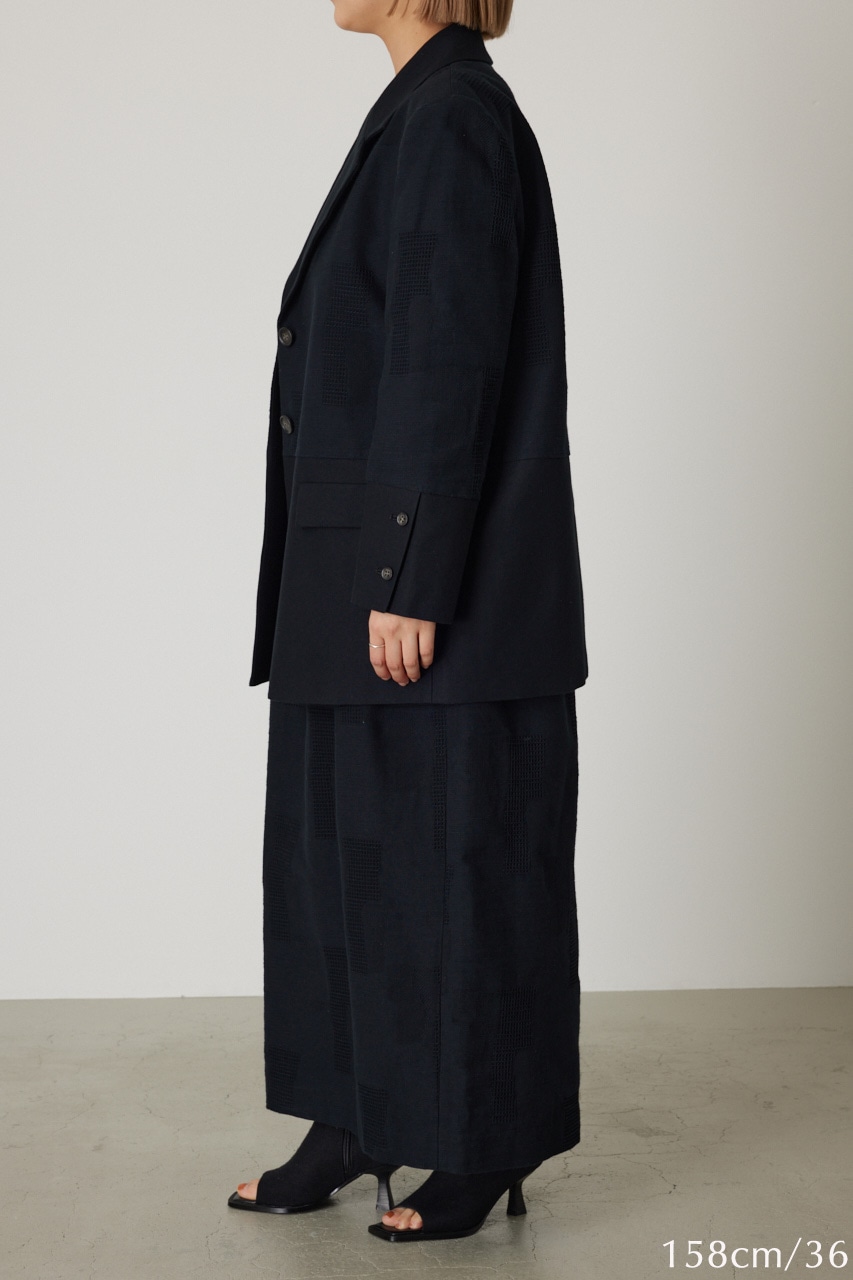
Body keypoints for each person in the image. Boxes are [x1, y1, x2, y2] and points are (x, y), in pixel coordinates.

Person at [228, 0, 588, 1244]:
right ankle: (353, 1116)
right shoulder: (419, 111)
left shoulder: (455, 118)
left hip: (423, 585)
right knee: (342, 868)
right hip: (349, 573)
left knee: (463, 869)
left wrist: (408, 571)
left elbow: (447, 352)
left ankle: (484, 1138)